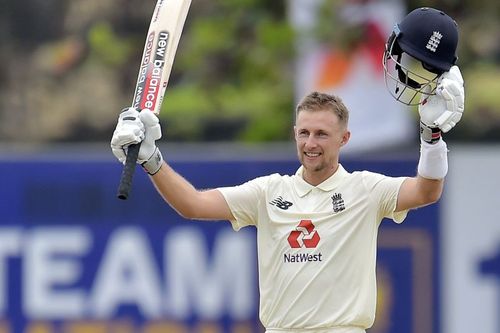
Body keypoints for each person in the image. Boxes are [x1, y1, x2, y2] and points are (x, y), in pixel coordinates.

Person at [110, 7, 464, 333]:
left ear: (344, 139)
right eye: (305, 133)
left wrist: (431, 136)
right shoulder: (269, 192)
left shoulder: (366, 190)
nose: (311, 143)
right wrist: (150, 159)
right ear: (295, 134)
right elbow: (193, 204)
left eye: (322, 134)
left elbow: (427, 191)